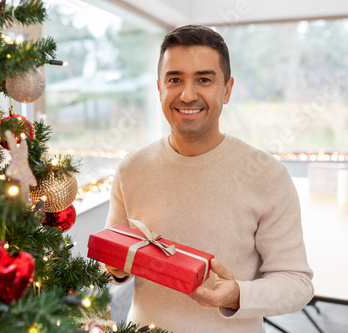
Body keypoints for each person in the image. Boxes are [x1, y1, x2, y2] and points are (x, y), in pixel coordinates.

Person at [104, 25, 314, 333]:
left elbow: (296, 283)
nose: (188, 94)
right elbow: (114, 265)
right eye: (174, 79)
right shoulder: (130, 169)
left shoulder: (268, 176)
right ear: (160, 88)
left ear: (227, 89)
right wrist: (115, 270)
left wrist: (237, 294)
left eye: (204, 79)